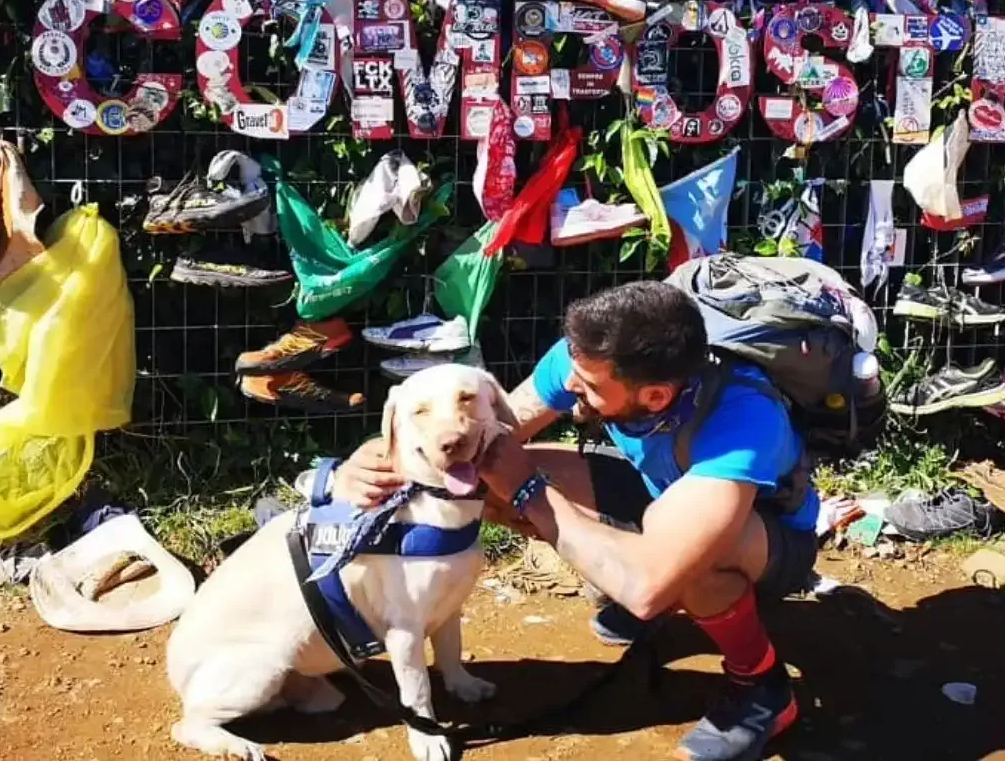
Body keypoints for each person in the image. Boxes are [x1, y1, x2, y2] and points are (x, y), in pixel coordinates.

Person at [334, 280, 819, 761]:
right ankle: (628, 572)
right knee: (492, 476)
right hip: (661, 495)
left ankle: (760, 685)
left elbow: (650, 587)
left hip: (769, 539)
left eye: (587, 386)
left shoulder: (743, 420)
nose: (569, 385)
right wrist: (379, 459)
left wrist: (531, 493)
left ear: (654, 396)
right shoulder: (592, 355)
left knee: (693, 566)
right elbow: (499, 432)